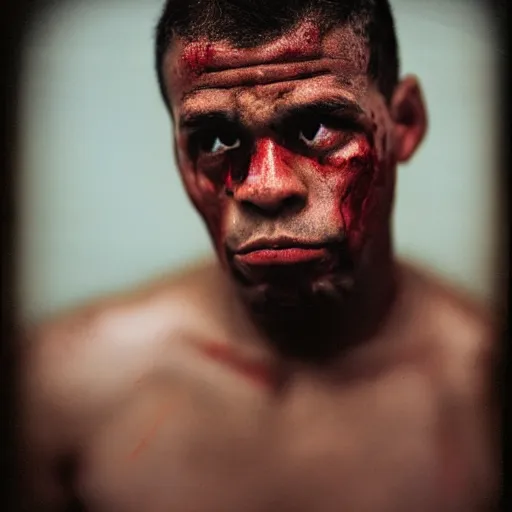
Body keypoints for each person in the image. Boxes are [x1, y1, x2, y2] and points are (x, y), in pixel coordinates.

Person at [17, 0, 499, 510]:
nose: (266, 187)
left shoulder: (484, 397)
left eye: (316, 128)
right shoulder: (60, 391)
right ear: (179, 152)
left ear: (403, 122)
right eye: (217, 139)